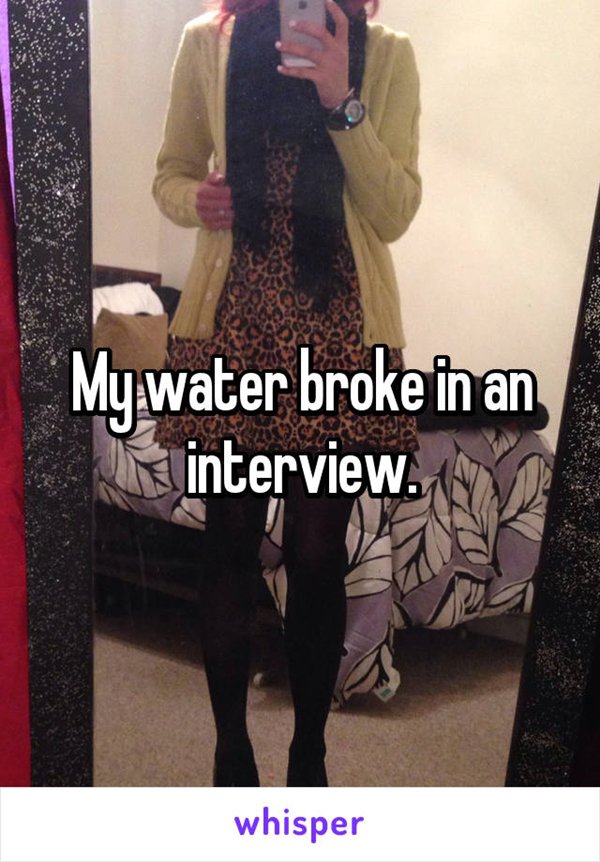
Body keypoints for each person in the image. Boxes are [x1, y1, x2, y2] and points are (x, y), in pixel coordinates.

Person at [152, 0, 421, 786]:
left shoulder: (389, 53)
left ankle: (310, 752)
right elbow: (171, 173)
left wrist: (341, 96)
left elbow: (395, 210)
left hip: (340, 339)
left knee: (318, 553)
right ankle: (230, 752)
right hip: (233, 329)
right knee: (229, 544)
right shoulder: (207, 43)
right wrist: (195, 201)